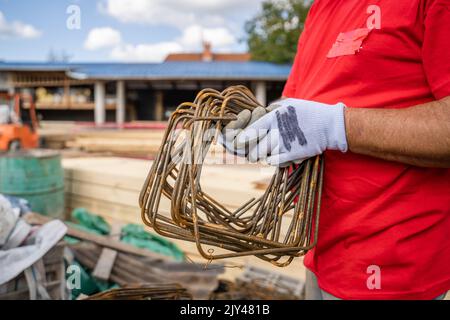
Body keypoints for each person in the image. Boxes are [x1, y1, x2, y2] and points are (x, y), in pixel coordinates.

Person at [234, 0, 450, 299]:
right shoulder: (322, 7)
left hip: (392, 266)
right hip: (319, 251)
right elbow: (294, 102)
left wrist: (335, 126)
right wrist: (262, 128)